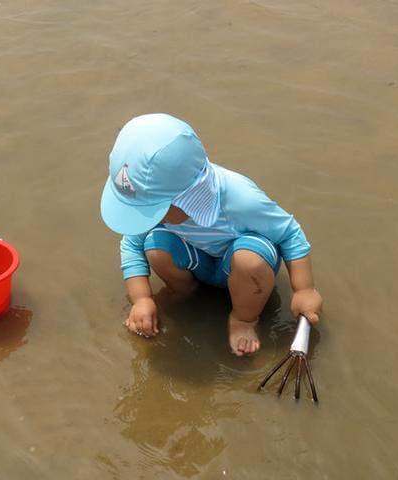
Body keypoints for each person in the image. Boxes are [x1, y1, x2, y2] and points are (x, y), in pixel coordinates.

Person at [100, 113, 322, 356]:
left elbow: (290, 234)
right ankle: (185, 292)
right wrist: (141, 298)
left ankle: (243, 320)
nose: (146, 218)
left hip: (244, 267)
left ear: (187, 199)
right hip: (201, 262)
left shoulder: (239, 199)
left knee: (249, 260)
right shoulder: (162, 203)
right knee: (154, 246)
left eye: (152, 211)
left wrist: (303, 290)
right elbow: (132, 245)